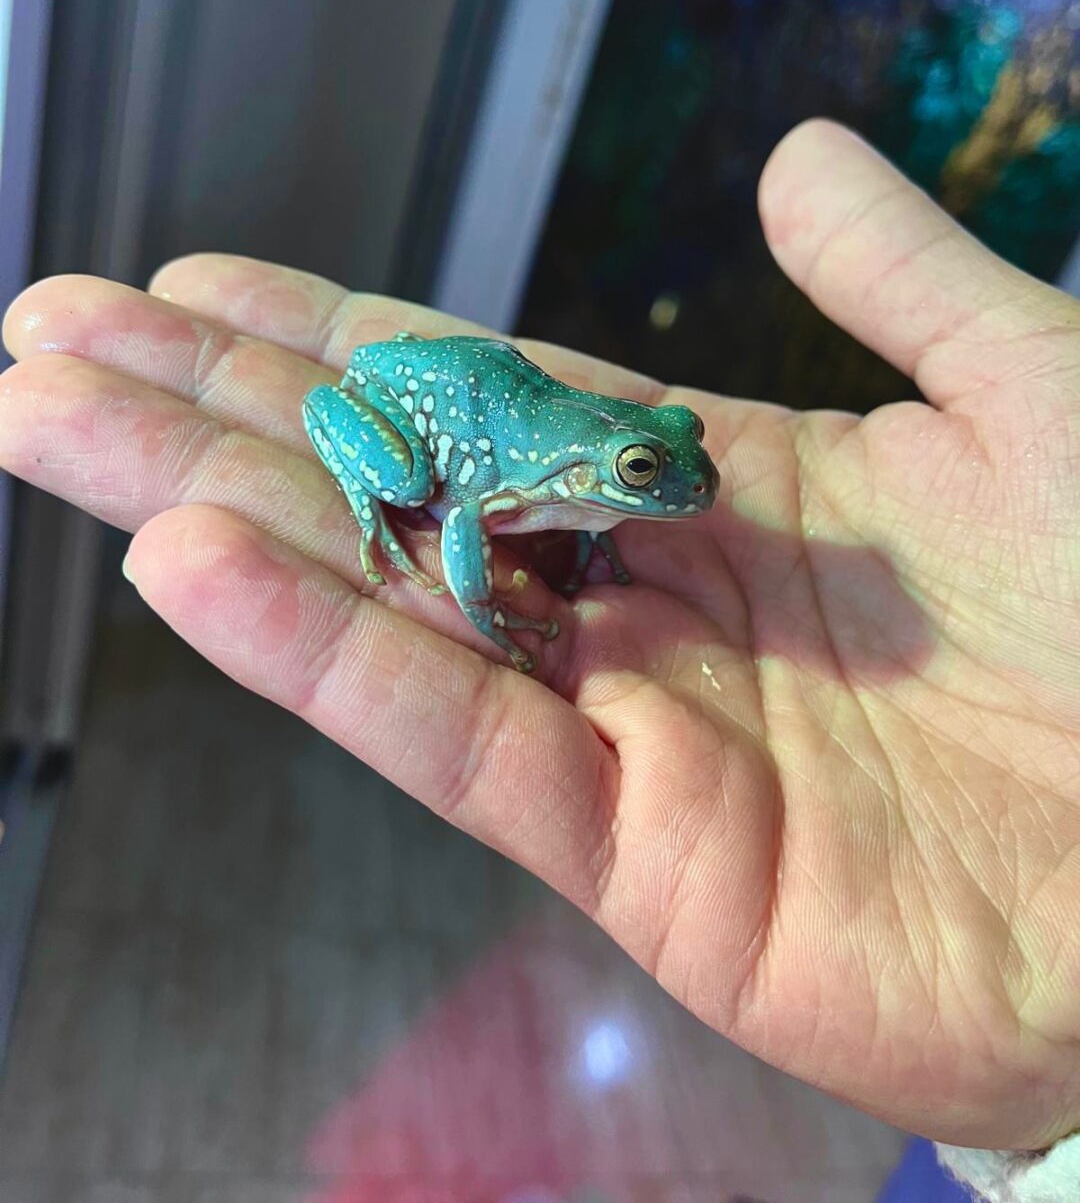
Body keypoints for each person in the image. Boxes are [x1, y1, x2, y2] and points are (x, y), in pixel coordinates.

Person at [1, 120, 1077, 1200]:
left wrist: (607, 515)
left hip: (503, 408)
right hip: (418, 412)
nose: (681, 487)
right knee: (414, 484)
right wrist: (481, 607)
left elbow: (588, 483)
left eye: (669, 456)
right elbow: (468, 522)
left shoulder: (591, 473)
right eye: (648, 470)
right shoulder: (535, 482)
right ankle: (384, 503)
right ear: (602, 468)